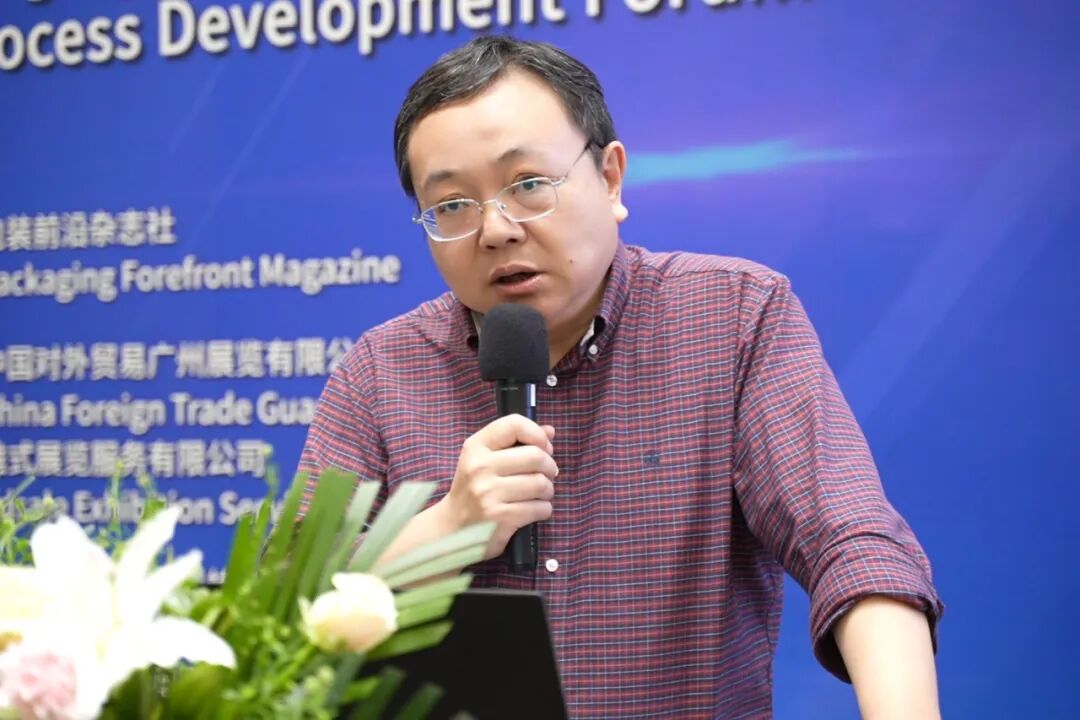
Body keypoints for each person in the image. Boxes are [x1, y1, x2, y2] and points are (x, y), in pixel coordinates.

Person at [298, 36, 943, 719]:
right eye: (452, 205)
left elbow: (851, 544)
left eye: (528, 185)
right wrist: (446, 529)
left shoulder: (734, 317)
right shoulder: (382, 370)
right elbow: (285, 611)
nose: (496, 229)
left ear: (610, 179)